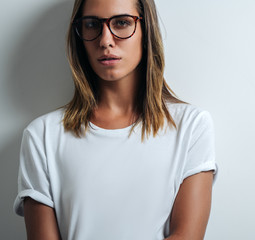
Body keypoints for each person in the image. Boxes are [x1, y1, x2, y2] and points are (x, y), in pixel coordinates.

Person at [13, 0, 218, 239]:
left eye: (121, 23)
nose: (105, 40)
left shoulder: (191, 126)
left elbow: (187, 235)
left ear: (146, 29)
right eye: (92, 25)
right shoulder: (42, 136)